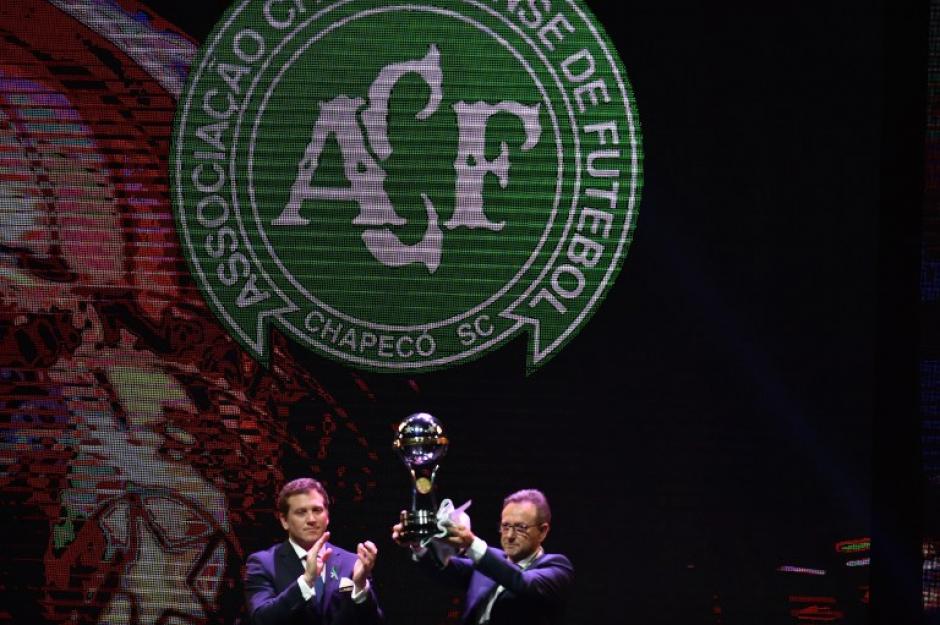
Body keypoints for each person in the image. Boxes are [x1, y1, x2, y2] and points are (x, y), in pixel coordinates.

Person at [392, 489, 573, 625]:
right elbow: (443, 570)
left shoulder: (556, 567)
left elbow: (522, 582)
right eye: (505, 526)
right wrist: (416, 543)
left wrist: (471, 543)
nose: (509, 535)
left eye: (520, 528)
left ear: (543, 531)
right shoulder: (489, 562)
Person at [245, 478, 383, 625]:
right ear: (284, 520)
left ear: (327, 516)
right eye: (301, 512)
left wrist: (361, 587)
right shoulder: (263, 564)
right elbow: (261, 619)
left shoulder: (352, 563)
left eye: (317, 510)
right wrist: (306, 581)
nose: (311, 519)